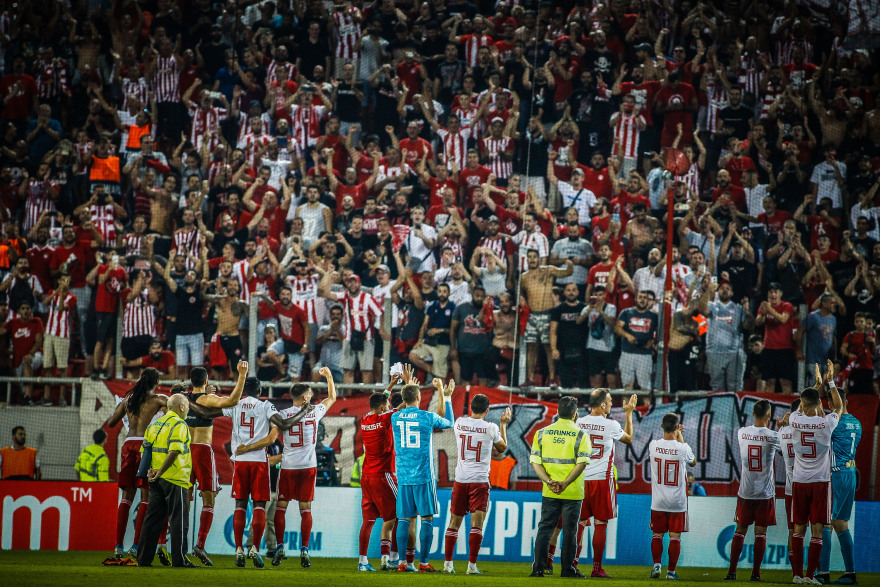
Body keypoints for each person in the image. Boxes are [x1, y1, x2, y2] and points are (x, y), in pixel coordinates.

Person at [222, 376, 311, 568]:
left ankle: (239, 550)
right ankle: (255, 548)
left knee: (240, 505)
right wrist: (304, 411)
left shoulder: (234, 404)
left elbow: (209, 411)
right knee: (259, 506)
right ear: (260, 391)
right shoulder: (265, 406)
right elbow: (284, 424)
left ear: (243, 390)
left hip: (240, 461)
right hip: (259, 461)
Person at [257, 368, 337, 568]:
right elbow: (332, 398)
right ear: (305, 397)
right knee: (305, 509)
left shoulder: (283, 414)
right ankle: (304, 550)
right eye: (310, 394)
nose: (312, 396)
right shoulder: (315, 412)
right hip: (308, 467)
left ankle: (280, 547)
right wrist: (329, 377)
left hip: (288, 466)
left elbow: (273, 435)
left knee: (281, 508)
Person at [100, 368, 167, 559]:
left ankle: (118, 546)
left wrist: (120, 408)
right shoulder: (159, 400)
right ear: (157, 382)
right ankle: (136, 546)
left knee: (126, 498)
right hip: (145, 446)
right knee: (146, 496)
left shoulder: (128, 400)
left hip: (128, 445)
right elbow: (176, 412)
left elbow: (111, 423)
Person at [185, 362, 248, 566]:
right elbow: (233, 400)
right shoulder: (207, 399)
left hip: (184, 451)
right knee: (208, 499)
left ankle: (169, 543)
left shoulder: (181, 399)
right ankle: (200, 544)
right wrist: (242, 375)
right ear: (206, 380)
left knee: (183, 500)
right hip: (202, 450)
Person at [391, 377, 455, 572]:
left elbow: (401, 407)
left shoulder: (395, 417)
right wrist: (447, 396)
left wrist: (407, 389)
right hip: (423, 475)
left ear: (404, 399)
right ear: (419, 397)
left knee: (404, 519)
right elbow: (449, 422)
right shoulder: (427, 417)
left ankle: (402, 562)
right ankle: (424, 563)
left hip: (403, 476)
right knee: (426, 518)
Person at [442, 396, 511, 575]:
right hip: (479, 480)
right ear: (487, 410)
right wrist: (503, 424)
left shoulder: (459, 423)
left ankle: (448, 564)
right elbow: (502, 448)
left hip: (460, 479)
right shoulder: (491, 427)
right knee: (477, 524)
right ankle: (471, 566)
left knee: (453, 522)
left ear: (470, 408)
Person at [789, 360, 843, 583]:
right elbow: (838, 407)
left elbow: (802, 404)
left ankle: (796, 575)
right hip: (820, 481)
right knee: (817, 530)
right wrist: (830, 381)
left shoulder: (794, 420)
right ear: (820, 403)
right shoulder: (827, 423)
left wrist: (816, 385)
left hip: (799, 480)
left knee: (798, 529)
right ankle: (810, 576)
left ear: (802, 403)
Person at [574, 391, 637, 578]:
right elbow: (629, 438)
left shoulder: (579, 423)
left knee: (578, 524)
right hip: (602, 479)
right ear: (602, 405)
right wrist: (629, 413)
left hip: (580, 478)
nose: (611, 404)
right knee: (600, 523)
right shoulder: (611, 425)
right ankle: (596, 569)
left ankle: (572, 565)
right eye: (609, 401)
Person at [529, 396, 591, 578]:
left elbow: (535, 462)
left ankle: (538, 568)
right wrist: (565, 483)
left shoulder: (542, 433)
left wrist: (549, 482)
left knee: (545, 529)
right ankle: (567, 569)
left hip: (550, 490)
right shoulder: (581, 435)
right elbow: (582, 464)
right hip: (572, 491)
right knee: (570, 532)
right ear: (575, 413)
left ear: (557, 412)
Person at [136, 394, 197, 568]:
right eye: (187, 406)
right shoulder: (179, 424)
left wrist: (151, 471)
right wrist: (161, 471)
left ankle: (143, 559)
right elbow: (174, 451)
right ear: (182, 407)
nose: (188, 409)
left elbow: (145, 450)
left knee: (152, 520)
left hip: (155, 480)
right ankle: (180, 560)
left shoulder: (154, 425)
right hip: (175, 478)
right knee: (179, 520)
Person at [357, 370, 408, 572]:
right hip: (383, 475)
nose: (388, 406)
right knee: (398, 515)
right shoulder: (385, 419)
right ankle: (390, 558)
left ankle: (362, 561)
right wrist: (408, 387)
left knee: (368, 521)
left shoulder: (365, 420)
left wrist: (391, 384)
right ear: (381, 408)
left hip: (366, 477)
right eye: (386, 406)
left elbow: (382, 401)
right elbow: (402, 407)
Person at [724, 400, 780, 582]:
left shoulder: (742, 432)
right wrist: (783, 429)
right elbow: (785, 451)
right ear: (769, 415)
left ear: (753, 414)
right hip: (765, 493)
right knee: (760, 532)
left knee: (740, 529)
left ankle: (732, 572)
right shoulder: (774, 436)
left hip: (745, 491)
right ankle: (755, 574)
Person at [817, 383, 862, 586]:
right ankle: (850, 573)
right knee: (841, 523)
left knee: (826, 523)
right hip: (850, 474)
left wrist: (825, 384)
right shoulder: (857, 423)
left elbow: (820, 418)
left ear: (832, 403)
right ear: (847, 402)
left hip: (835, 475)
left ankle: (823, 572)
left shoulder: (835, 423)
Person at [648, 413, 696, 581]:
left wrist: (675, 435)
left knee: (657, 534)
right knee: (675, 536)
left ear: (662, 426)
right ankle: (671, 572)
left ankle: (657, 565)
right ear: (677, 427)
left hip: (658, 500)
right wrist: (680, 437)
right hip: (677, 501)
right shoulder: (684, 448)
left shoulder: (653, 445)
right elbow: (693, 462)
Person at [520, 250, 574, 386]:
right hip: (532, 315)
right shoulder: (523, 277)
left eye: (534, 257)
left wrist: (569, 264)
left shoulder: (548, 270)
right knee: (531, 347)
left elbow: (567, 273)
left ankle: (552, 379)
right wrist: (521, 298)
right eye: (530, 257)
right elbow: (521, 293)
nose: (532, 259)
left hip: (547, 313)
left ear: (539, 259)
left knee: (548, 347)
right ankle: (530, 379)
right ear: (527, 259)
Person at [615, 290, 659, 391]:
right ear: (635, 299)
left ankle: (646, 403)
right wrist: (628, 336)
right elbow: (617, 328)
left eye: (645, 298)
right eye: (640, 297)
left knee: (645, 388)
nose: (642, 300)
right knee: (627, 387)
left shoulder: (654, 316)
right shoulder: (626, 312)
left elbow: (660, 333)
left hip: (645, 355)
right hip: (627, 353)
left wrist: (653, 341)